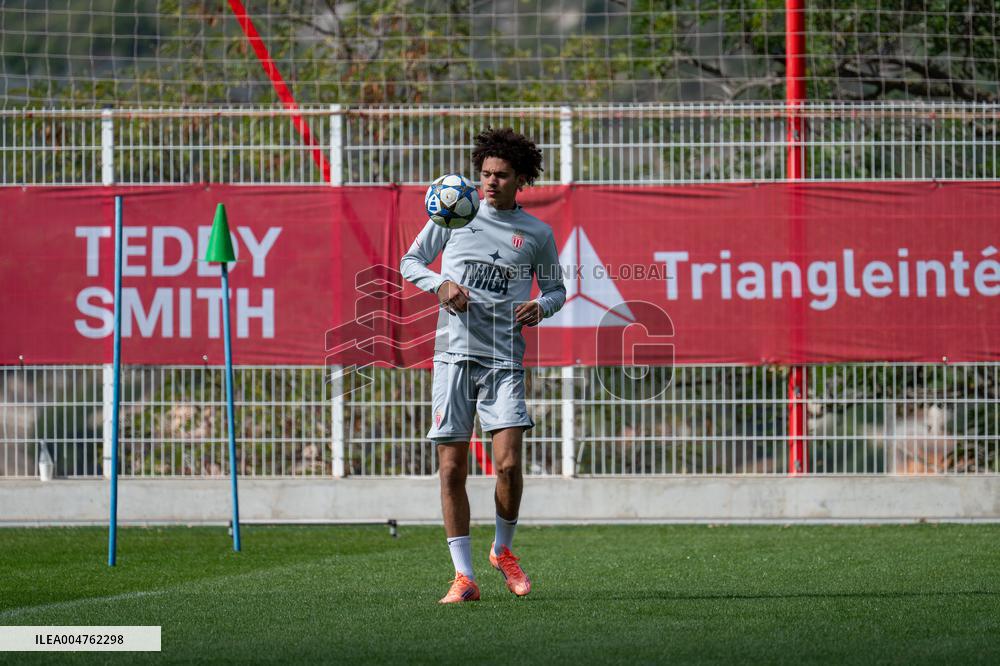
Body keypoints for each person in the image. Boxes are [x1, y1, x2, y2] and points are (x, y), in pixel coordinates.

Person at [400, 127, 566, 603]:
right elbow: (410, 262)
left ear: (521, 180)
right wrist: (440, 286)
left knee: (509, 464)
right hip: (452, 357)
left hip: (503, 359)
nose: (490, 182)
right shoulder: (454, 211)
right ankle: (464, 576)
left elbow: (556, 289)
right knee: (451, 469)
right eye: (485, 174)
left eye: (501, 175)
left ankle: (503, 550)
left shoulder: (536, 233)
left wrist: (543, 306)